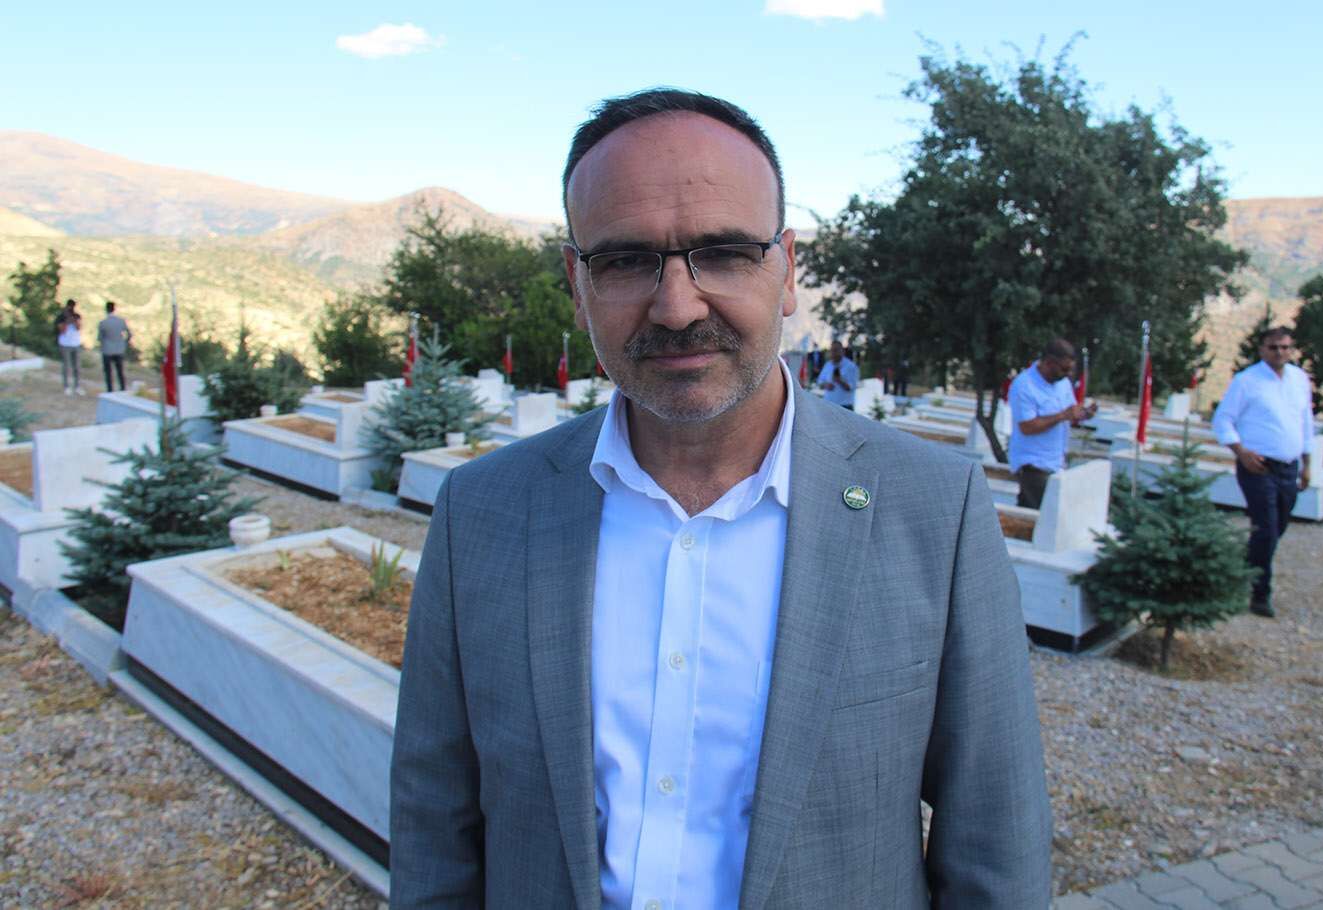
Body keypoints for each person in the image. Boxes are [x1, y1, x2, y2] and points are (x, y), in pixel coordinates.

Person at [390, 88, 1051, 909]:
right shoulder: (481, 513)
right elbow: (434, 826)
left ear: (787, 271)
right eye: (625, 261)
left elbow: (995, 843)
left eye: (726, 252)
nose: (677, 307)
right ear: (576, 282)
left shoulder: (933, 511)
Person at [1212, 326, 1313, 618]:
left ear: (1291, 349)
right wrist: (1241, 452)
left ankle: (1243, 569)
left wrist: (1307, 464)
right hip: (1258, 466)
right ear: (1262, 350)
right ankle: (1259, 594)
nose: (1279, 352)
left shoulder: (1299, 379)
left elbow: (1305, 421)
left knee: (1278, 526)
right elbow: (1223, 419)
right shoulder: (1247, 381)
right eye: (1273, 347)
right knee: (1266, 528)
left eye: (1285, 347)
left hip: (1289, 466)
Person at [1008, 339, 1096, 508]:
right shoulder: (1024, 385)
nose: (1068, 373)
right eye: (1064, 368)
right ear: (1049, 363)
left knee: (1034, 514)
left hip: (1056, 461)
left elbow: (1070, 413)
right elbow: (1027, 427)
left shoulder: (1062, 383)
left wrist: (1084, 414)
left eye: (1071, 369)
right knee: (1048, 513)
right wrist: (1062, 415)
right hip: (1033, 465)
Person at [98, 300, 132, 392]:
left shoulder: (103, 323)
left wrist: (103, 344)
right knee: (120, 371)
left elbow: (100, 338)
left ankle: (110, 390)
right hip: (119, 349)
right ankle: (122, 389)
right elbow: (129, 334)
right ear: (114, 309)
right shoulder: (121, 321)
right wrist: (124, 343)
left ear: (106, 309)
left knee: (108, 372)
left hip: (107, 350)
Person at [815, 338, 859, 409]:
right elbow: (819, 382)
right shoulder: (828, 365)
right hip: (828, 405)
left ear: (843, 351)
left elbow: (852, 387)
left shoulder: (851, 366)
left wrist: (840, 381)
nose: (833, 353)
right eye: (832, 350)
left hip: (845, 407)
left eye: (836, 350)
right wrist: (826, 385)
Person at [56, 299, 83, 396]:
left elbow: (79, 328)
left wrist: (74, 320)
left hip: (75, 343)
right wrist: (67, 321)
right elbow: (62, 330)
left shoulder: (77, 316)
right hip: (65, 344)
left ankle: (77, 386)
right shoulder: (61, 317)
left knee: (77, 366)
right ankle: (66, 386)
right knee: (66, 366)